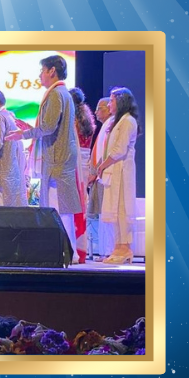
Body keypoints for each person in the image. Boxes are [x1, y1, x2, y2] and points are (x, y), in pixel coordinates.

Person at [5, 55, 81, 261]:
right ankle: (68, 251)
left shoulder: (56, 93)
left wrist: (23, 134)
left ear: (52, 71)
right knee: (60, 206)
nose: (40, 75)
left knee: (58, 207)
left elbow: (48, 127)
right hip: (59, 157)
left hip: (57, 159)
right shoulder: (62, 93)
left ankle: (65, 251)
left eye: (42, 70)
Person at [97, 87, 140, 264]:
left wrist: (102, 165)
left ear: (121, 102)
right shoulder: (118, 121)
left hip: (122, 171)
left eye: (112, 100)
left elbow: (119, 150)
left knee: (122, 208)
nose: (109, 104)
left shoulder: (128, 121)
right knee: (114, 210)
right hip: (114, 170)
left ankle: (125, 248)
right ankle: (118, 247)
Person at [69, 87, 96, 263]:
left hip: (75, 163)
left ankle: (73, 249)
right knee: (81, 206)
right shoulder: (86, 119)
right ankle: (81, 250)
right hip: (85, 162)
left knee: (73, 206)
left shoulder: (72, 121)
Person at [87, 97, 114, 260]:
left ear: (109, 109)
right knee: (102, 215)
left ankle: (109, 251)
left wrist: (95, 172)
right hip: (100, 175)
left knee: (107, 215)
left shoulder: (111, 125)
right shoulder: (106, 125)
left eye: (100, 108)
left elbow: (107, 152)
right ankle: (106, 252)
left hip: (104, 175)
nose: (96, 112)